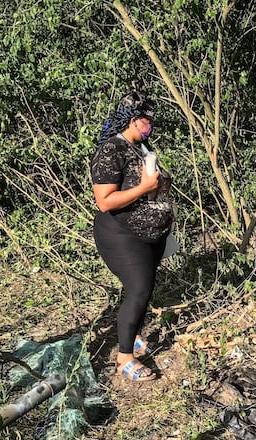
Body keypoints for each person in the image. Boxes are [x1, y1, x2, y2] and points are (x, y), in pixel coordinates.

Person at [91, 91, 173, 382]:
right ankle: (124, 356)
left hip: (150, 232)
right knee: (138, 288)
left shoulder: (141, 146)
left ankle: (134, 333)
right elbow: (104, 201)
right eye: (146, 119)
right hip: (121, 234)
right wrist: (145, 186)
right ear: (132, 120)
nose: (150, 124)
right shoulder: (111, 150)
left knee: (145, 288)